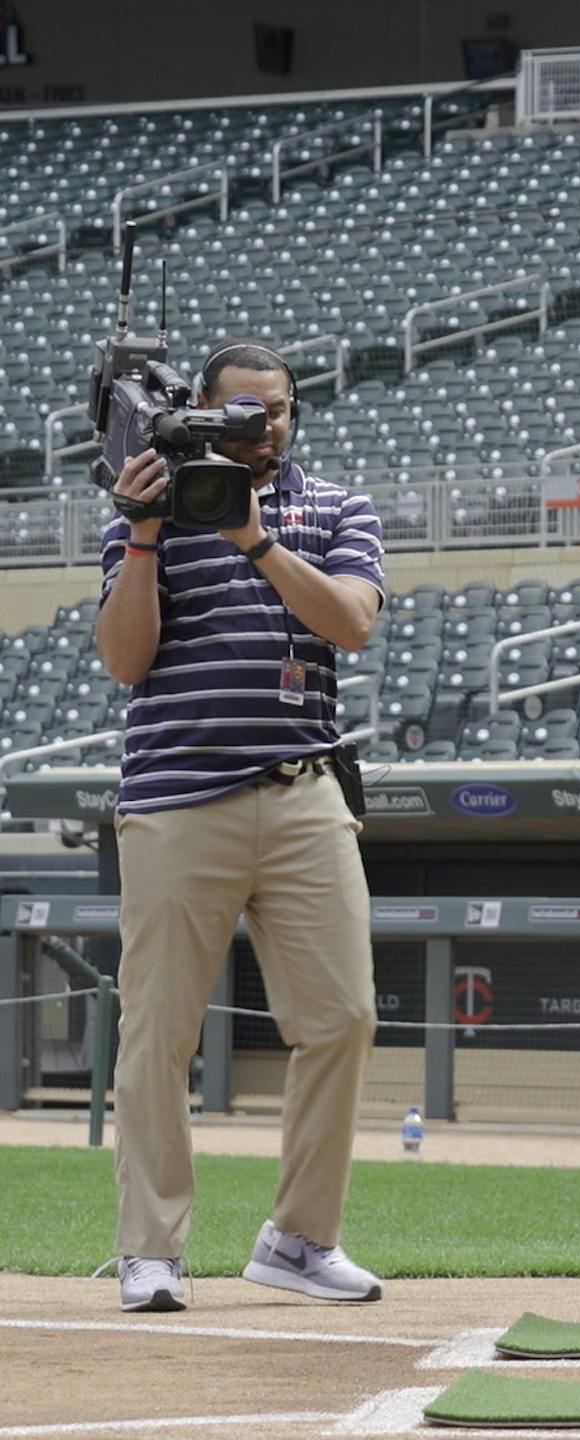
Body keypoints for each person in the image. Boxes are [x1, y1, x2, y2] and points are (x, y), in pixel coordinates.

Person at [95, 341, 386, 1313]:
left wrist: (256, 540)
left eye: (278, 411)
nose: (264, 428)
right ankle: (150, 1251)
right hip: (177, 798)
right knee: (158, 1033)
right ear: (204, 411)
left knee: (343, 1017)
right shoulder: (147, 507)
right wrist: (144, 534)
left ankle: (300, 1239)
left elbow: (352, 622)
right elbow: (124, 662)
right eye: (244, 413)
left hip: (305, 791)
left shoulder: (338, 508)